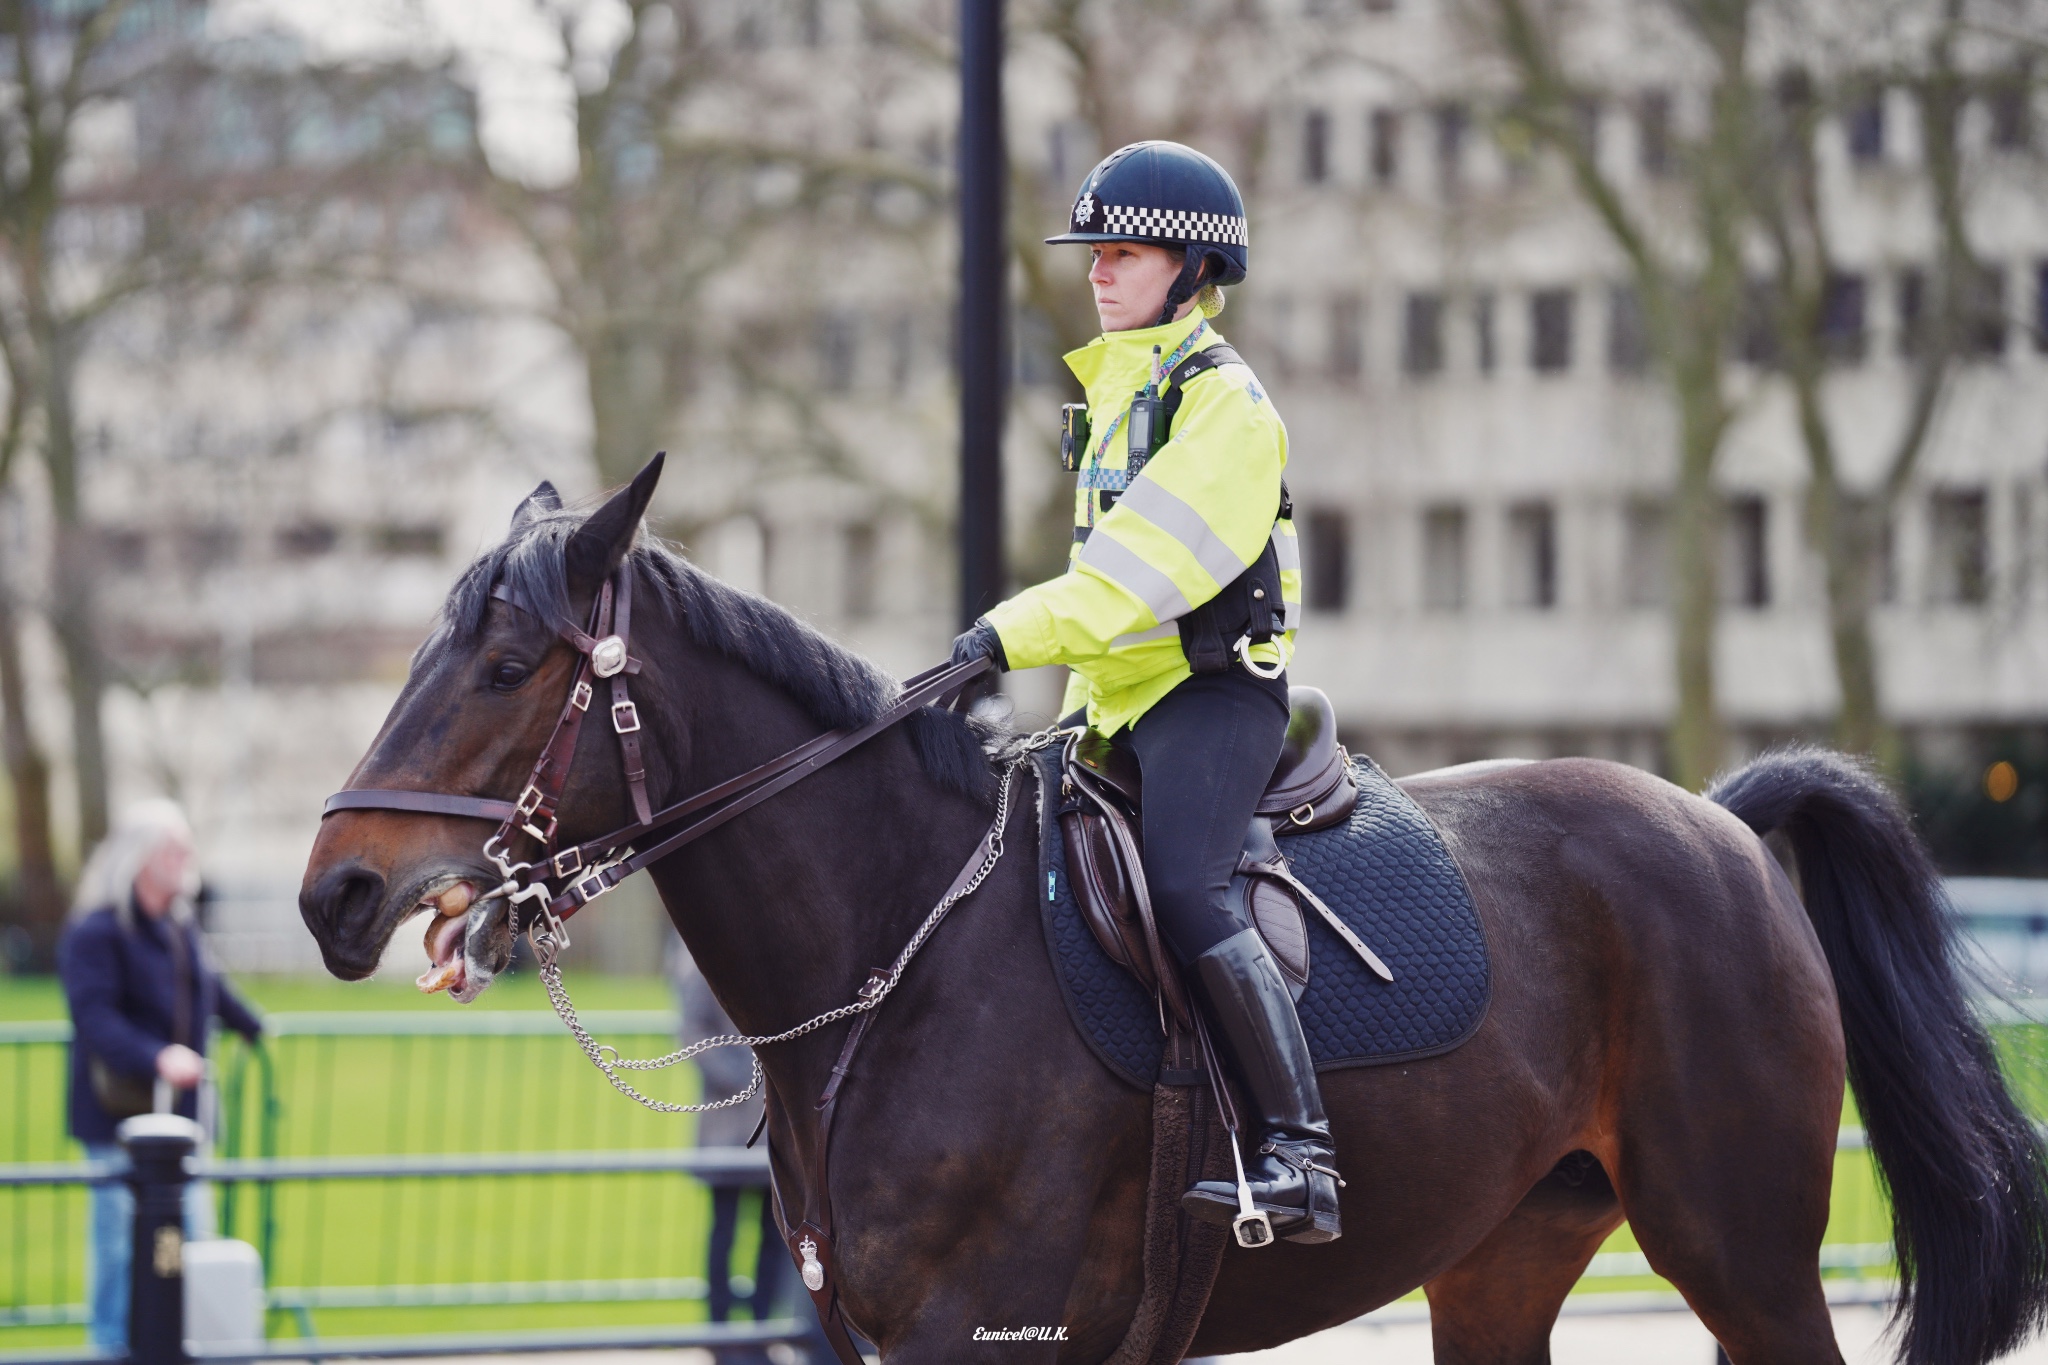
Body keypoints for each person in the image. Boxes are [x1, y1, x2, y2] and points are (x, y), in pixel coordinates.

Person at [951, 141, 1341, 1245]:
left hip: (1213, 700)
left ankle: (1301, 1157)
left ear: (1190, 270)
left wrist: (995, 636)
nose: (1096, 271)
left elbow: (1125, 582)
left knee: (1183, 887)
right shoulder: (1124, 394)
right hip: (1122, 704)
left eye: (1122, 252)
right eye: (1093, 252)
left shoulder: (1223, 407)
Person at [57, 799, 263, 1352]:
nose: (186, 857)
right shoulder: (97, 933)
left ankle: (179, 1344)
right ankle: (113, 1347)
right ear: (141, 858)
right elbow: (94, 1018)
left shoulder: (177, 925)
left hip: (179, 1119)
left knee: (189, 1239)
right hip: (118, 1119)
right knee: (121, 1248)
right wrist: (157, 1056)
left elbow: (208, 986)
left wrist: (253, 1026)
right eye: (174, 848)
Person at [667, 939, 788, 1354]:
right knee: (725, 1232)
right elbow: (692, 1026)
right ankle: (719, 1337)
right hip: (727, 1122)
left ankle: (759, 1333)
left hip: (777, 1126)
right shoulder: (699, 951)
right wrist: (745, 1080)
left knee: (776, 1234)